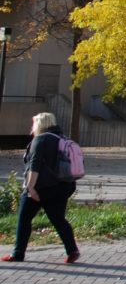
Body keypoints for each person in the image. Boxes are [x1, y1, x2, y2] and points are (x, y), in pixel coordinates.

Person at [2, 112, 81, 264]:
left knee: (24, 219)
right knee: (58, 219)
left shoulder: (40, 139)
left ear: (39, 124)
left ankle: (18, 253)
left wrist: (30, 188)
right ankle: (72, 250)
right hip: (62, 186)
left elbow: (35, 165)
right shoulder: (63, 139)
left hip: (40, 187)